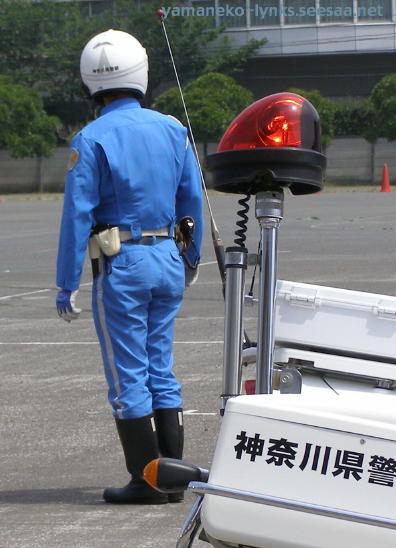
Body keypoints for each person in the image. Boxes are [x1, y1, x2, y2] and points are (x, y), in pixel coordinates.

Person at [55, 29, 203, 505]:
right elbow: (191, 202)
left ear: (90, 83)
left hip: (122, 263)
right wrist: (191, 256)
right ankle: (174, 482)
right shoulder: (173, 129)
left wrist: (65, 284)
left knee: (127, 376)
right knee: (162, 368)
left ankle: (145, 480)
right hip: (167, 260)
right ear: (140, 74)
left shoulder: (90, 138)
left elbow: (78, 215)